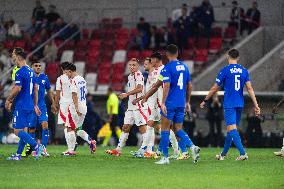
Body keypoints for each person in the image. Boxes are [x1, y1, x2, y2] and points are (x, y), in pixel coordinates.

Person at [142, 45, 200, 165]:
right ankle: (192, 146)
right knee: (178, 129)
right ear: (177, 53)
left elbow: (162, 85)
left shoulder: (166, 68)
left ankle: (165, 158)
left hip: (170, 103)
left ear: (167, 55)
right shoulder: (185, 67)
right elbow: (189, 85)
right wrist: (187, 102)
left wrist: (162, 102)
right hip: (181, 103)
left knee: (164, 129)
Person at [200, 48, 260, 161]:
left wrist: (206, 100)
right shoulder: (244, 70)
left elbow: (215, 87)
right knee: (230, 130)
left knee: (232, 129)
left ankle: (243, 153)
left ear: (228, 56)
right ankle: (223, 155)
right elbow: (250, 88)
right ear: (238, 58)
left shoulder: (225, 70)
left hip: (229, 103)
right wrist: (256, 105)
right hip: (239, 103)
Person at [132, 54, 180, 159]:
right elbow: (154, 88)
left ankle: (177, 150)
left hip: (162, 105)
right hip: (156, 105)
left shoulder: (163, 71)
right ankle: (143, 150)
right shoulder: (156, 72)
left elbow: (158, 88)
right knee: (150, 125)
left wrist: (144, 98)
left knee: (164, 128)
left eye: (151, 60)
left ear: (155, 60)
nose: (150, 62)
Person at [5, 47, 44, 160]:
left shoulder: (20, 72)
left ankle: (37, 146)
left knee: (17, 131)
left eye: (13, 55)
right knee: (22, 130)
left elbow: (17, 88)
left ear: (17, 57)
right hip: (30, 105)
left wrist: (8, 99)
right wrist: (35, 105)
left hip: (21, 105)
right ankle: (18, 155)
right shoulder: (31, 71)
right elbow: (35, 89)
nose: (12, 57)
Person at [106, 58, 149, 156]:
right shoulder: (130, 76)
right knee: (125, 127)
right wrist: (127, 96)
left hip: (138, 106)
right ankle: (118, 150)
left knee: (142, 128)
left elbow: (140, 88)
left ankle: (146, 150)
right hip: (130, 107)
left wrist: (126, 94)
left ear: (138, 66)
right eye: (130, 65)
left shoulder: (138, 75)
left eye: (134, 65)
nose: (132, 67)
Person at [22, 61, 55, 157]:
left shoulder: (44, 77)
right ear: (32, 67)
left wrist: (53, 102)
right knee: (32, 129)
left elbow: (49, 90)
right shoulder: (28, 78)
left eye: (39, 66)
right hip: (31, 107)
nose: (38, 67)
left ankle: (43, 149)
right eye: (36, 66)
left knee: (45, 125)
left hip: (42, 106)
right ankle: (32, 148)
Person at [63, 63, 96, 154]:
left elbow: (74, 95)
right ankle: (91, 141)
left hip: (75, 107)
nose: (66, 75)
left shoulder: (73, 80)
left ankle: (70, 150)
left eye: (66, 73)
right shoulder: (82, 79)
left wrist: (76, 108)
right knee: (77, 129)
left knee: (69, 128)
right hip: (84, 106)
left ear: (70, 71)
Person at [53, 62, 75, 155]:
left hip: (64, 104)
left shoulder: (60, 79)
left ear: (62, 69)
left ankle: (70, 148)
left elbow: (57, 93)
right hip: (74, 103)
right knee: (72, 126)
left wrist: (55, 104)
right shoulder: (75, 78)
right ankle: (73, 145)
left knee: (66, 126)